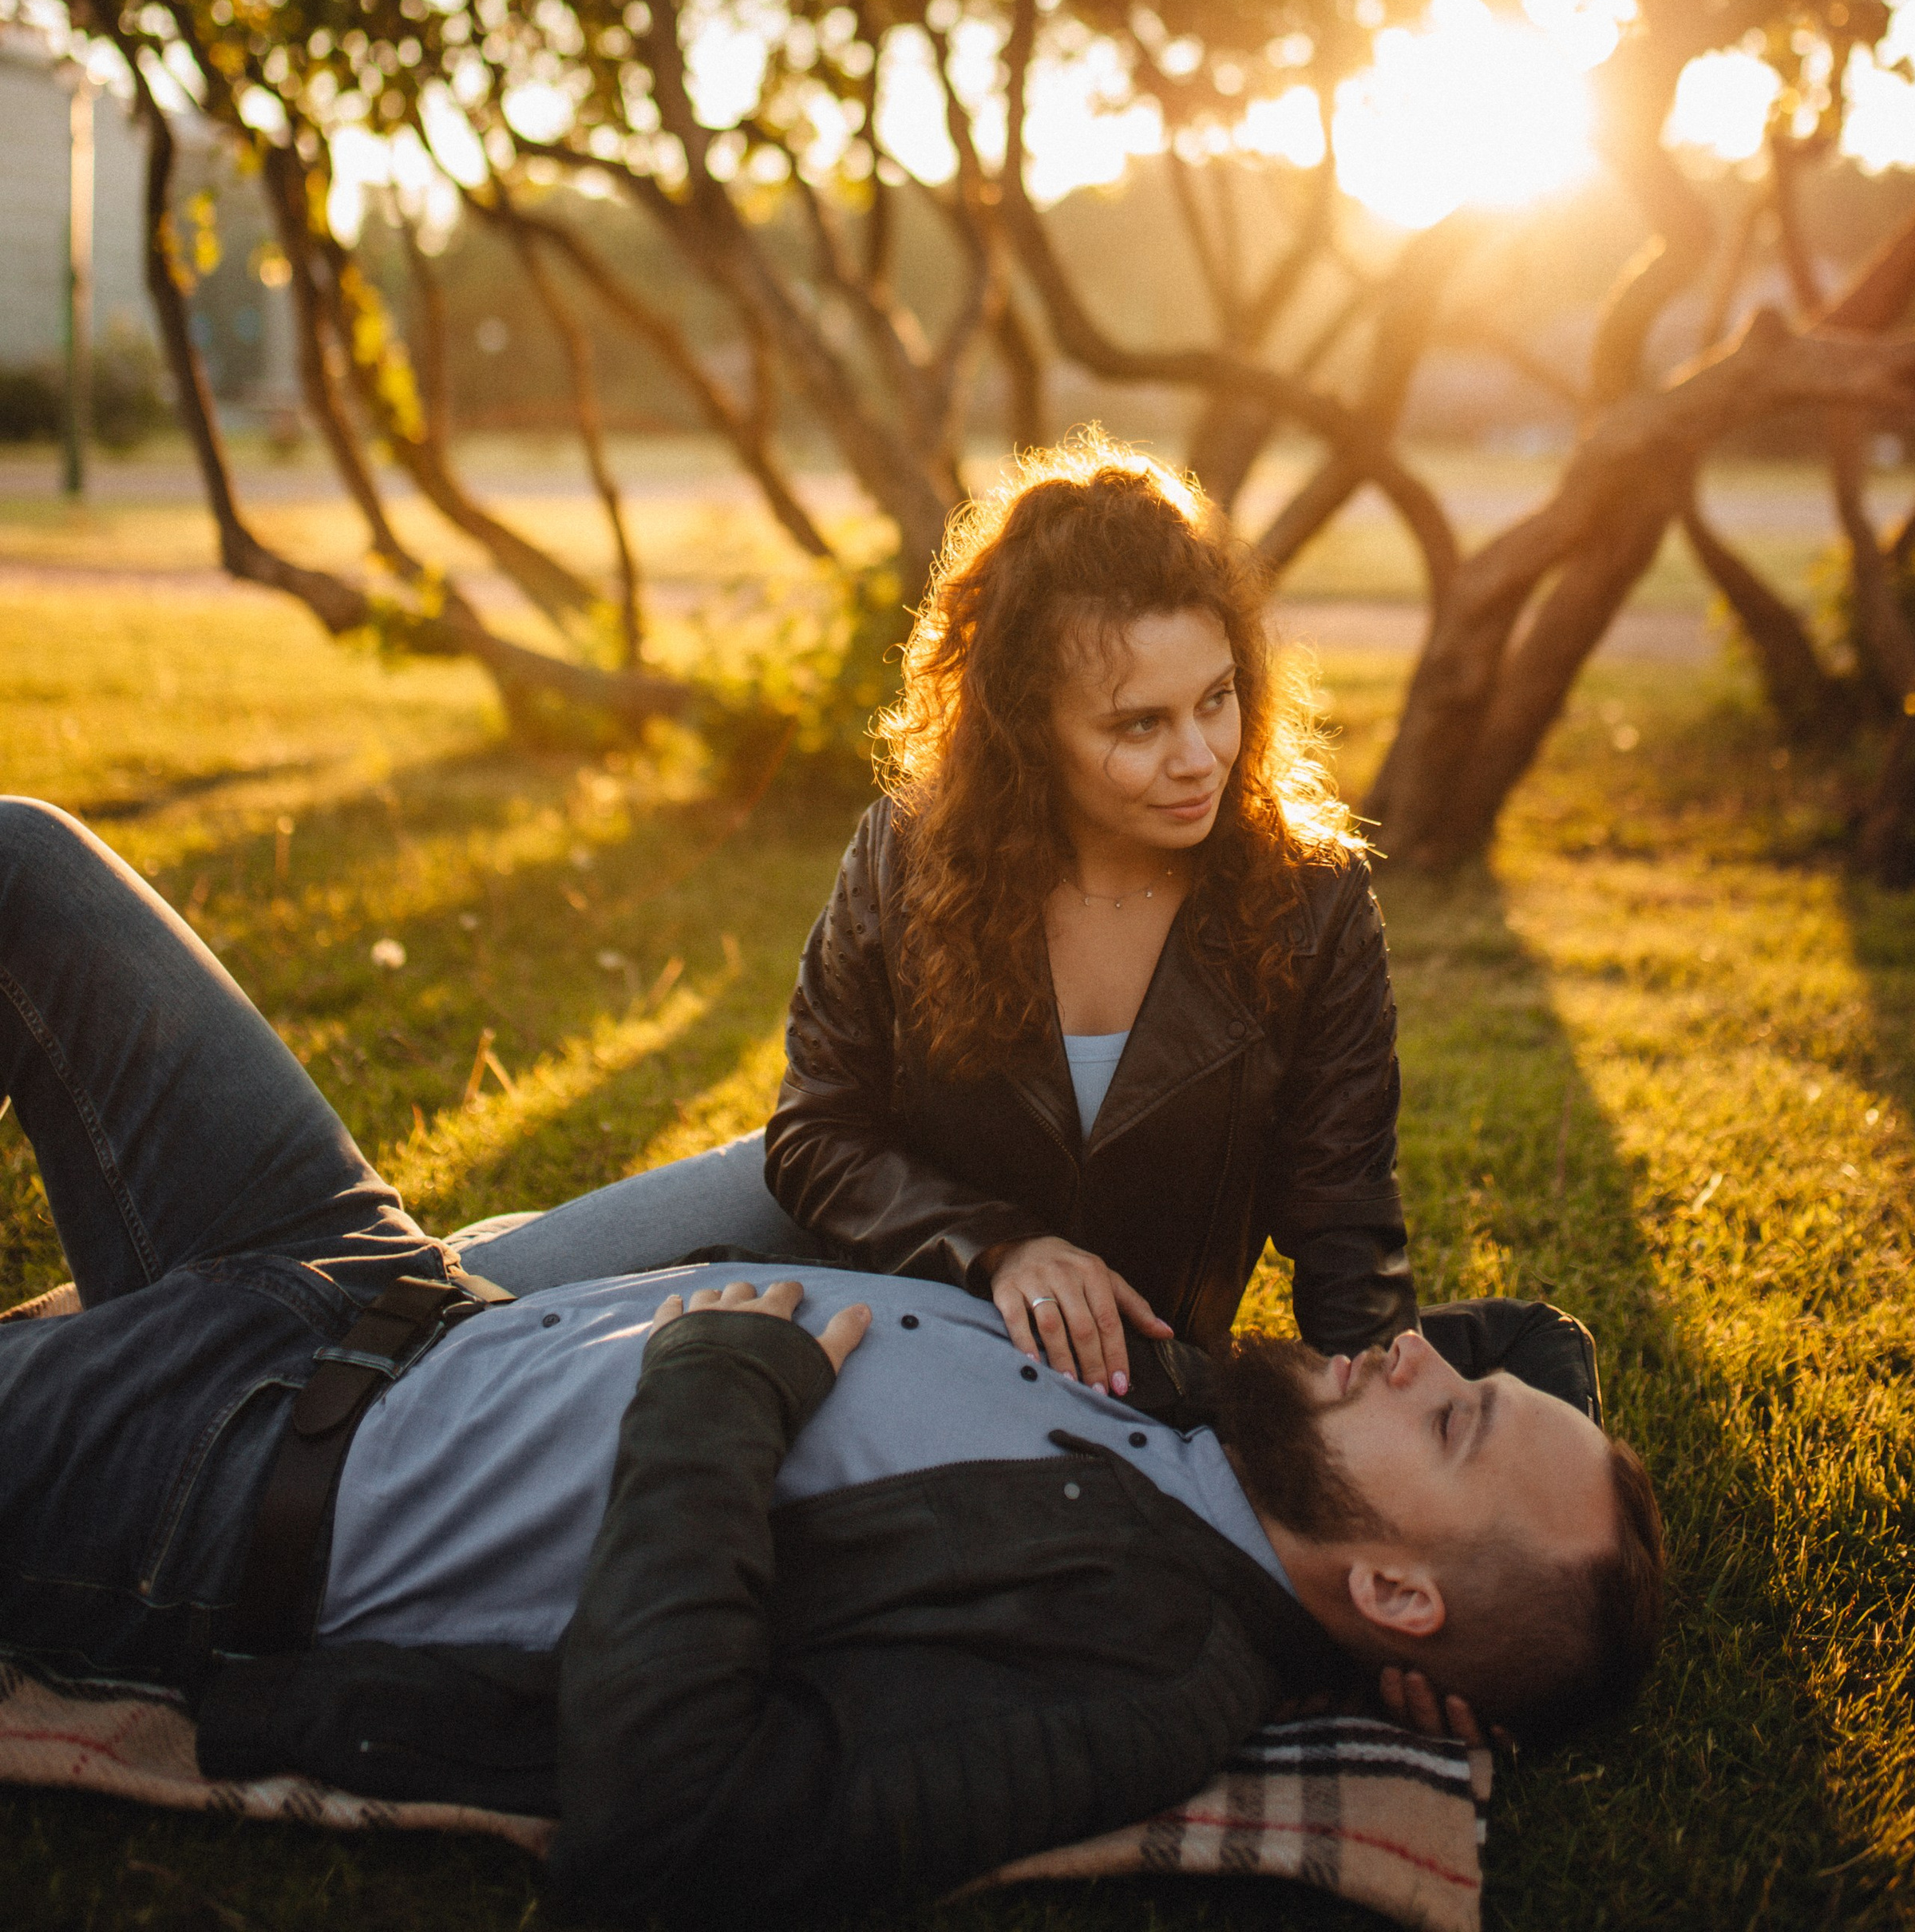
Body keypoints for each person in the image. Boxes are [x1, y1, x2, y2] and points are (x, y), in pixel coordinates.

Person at [0, 798, 1664, 1918]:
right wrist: (1499, 1514)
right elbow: (1521, 1356)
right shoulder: (1217, 1429)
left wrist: (727, 1374)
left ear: (1391, 1598)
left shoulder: (1134, 1667)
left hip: (202, 1491)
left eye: (1445, 1422)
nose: (1401, 1359)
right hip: (362, 1298)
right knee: (27, 860)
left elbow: (672, 1829)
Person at [762, 436, 1418, 1388]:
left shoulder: (1313, 899)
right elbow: (815, 1133)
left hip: (1134, 1378)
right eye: (1138, 724)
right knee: (550, 1271)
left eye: (1217, 699)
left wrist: (1381, 1436)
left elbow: (1346, 1228)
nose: (1199, 756)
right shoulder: (905, 854)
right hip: (906, 1299)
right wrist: (1000, 1245)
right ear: (1028, 731)